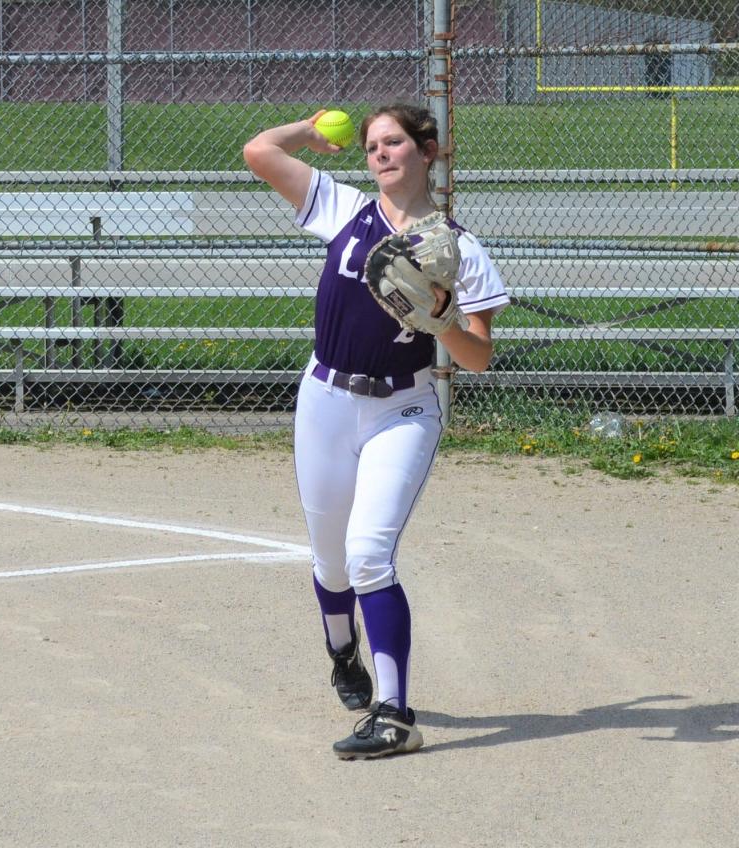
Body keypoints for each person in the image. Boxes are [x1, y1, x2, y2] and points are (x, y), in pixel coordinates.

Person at [242, 102, 509, 759]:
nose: (381, 154)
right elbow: (259, 152)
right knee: (330, 561)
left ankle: (395, 715)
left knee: (367, 554)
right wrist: (308, 131)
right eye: (372, 146)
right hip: (326, 401)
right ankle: (342, 651)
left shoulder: (458, 247)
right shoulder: (343, 208)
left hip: (403, 410)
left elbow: (478, 357)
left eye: (395, 143)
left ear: (428, 151)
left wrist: (442, 316)